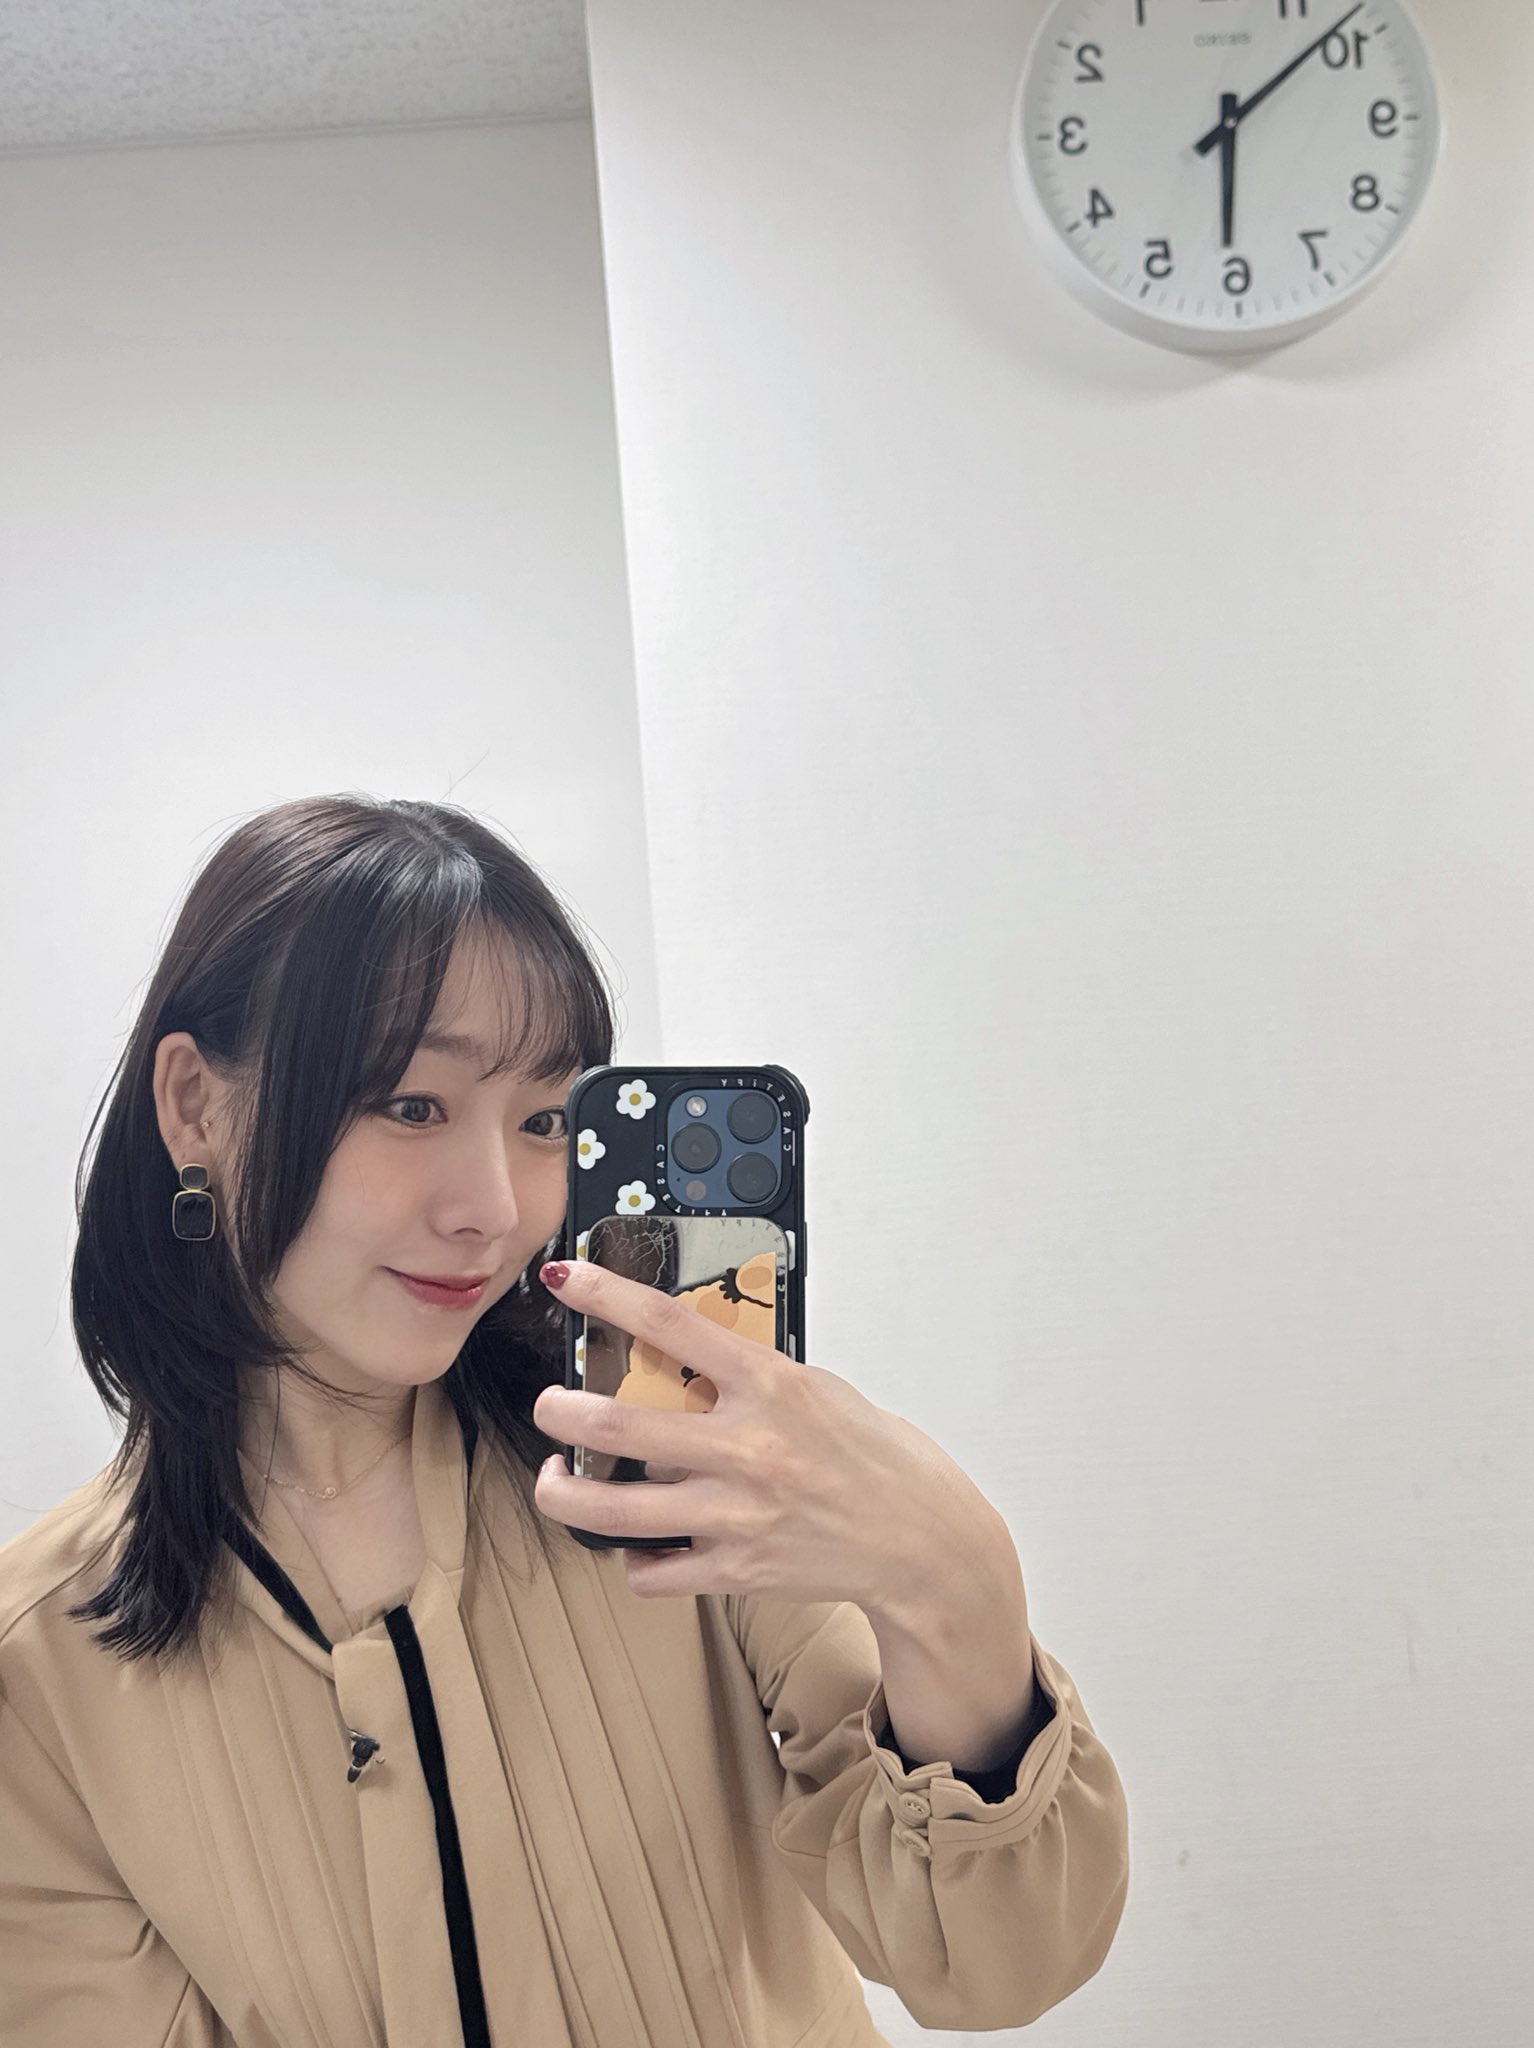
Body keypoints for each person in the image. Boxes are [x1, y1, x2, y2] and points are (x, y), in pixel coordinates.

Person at [0, 793, 1129, 2046]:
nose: (493, 1207)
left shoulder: (676, 1464)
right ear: (195, 1105)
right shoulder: (37, 1664)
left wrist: (952, 1574)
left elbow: (991, 1962)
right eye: (410, 1104)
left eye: (545, 1119)